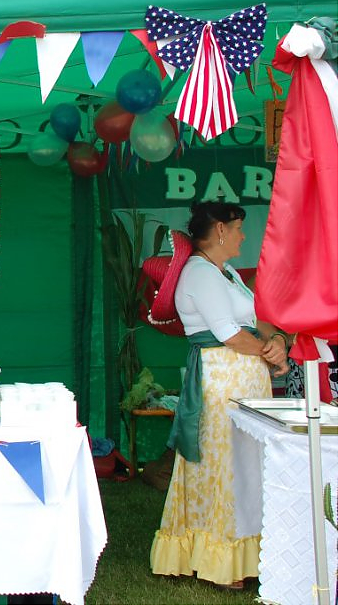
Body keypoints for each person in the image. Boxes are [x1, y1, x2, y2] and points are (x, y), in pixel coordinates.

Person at [148, 201, 288, 589]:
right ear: (221, 230)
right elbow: (229, 334)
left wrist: (277, 342)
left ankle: (243, 554)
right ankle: (220, 560)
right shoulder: (200, 273)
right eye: (239, 228)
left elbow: (255, 320)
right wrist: (269, 352)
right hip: (223, 382)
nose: (243, 235)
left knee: (245, 465)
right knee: (225, 466)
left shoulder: (226, 273)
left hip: (244, 380)